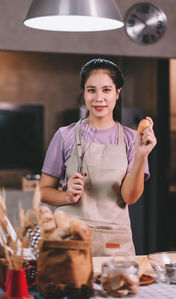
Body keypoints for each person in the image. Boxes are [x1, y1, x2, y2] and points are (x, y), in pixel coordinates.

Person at [39, 58, 157, 256]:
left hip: (113, 244)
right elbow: (43, 190)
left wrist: (141, 155)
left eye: (106, 90)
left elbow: (130, 197)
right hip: (69, 240)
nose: (98, 98)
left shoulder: (132, 139)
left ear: (118, 93)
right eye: (91, 90)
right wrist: (67, 195)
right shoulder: (64, 135)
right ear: (83, 93)